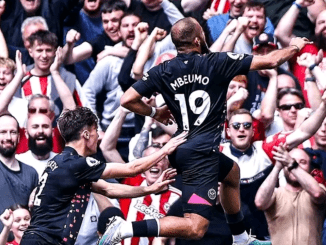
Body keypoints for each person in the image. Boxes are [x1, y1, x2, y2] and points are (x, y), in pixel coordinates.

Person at [100, 17, 310, 245]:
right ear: (199, 39)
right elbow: (271, 61)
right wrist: (296, 45)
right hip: (201, 154)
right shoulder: (216, 62)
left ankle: (240, 238)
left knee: (231, 173)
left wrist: (155, 113)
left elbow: (127, 99)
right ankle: (124, 228)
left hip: (184, 147)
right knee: (195, 227)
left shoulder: (163, 69)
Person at [19, 106, 187, 245]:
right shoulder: (76, 164)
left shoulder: (63, 163)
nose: (98, 136)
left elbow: (108, 189)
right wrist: (165, 149)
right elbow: (131, 169)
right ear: (85, 135)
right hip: (42, 241)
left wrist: (149, 189)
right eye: (95, 131)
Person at [255, 147, 326, 245]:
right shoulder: (275, 193)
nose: (296, 164)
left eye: (303, 162)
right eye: (290, 161)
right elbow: (259, 202)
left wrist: (292, 164)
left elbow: (318, 194)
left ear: (310, 168)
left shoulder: (319, 188)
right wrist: (277, 167)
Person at [0, 114, 38, 232]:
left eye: (13, 132)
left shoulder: (31, 173)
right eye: (3, 132)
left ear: (18, 136)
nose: (8, 137)